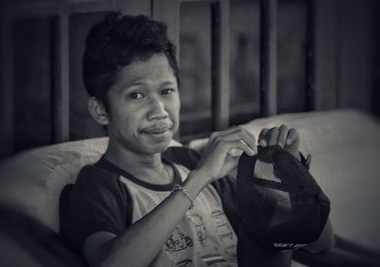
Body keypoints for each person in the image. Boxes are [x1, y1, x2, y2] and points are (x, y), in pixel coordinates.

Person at [60, 10, 334, 267]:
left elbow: (320, 244)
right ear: (100, 110)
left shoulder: (190, 161)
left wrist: (290, 179)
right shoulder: (97, 184)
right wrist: (200, 178)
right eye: (137, 95)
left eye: (167, 91)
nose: (159, 111)